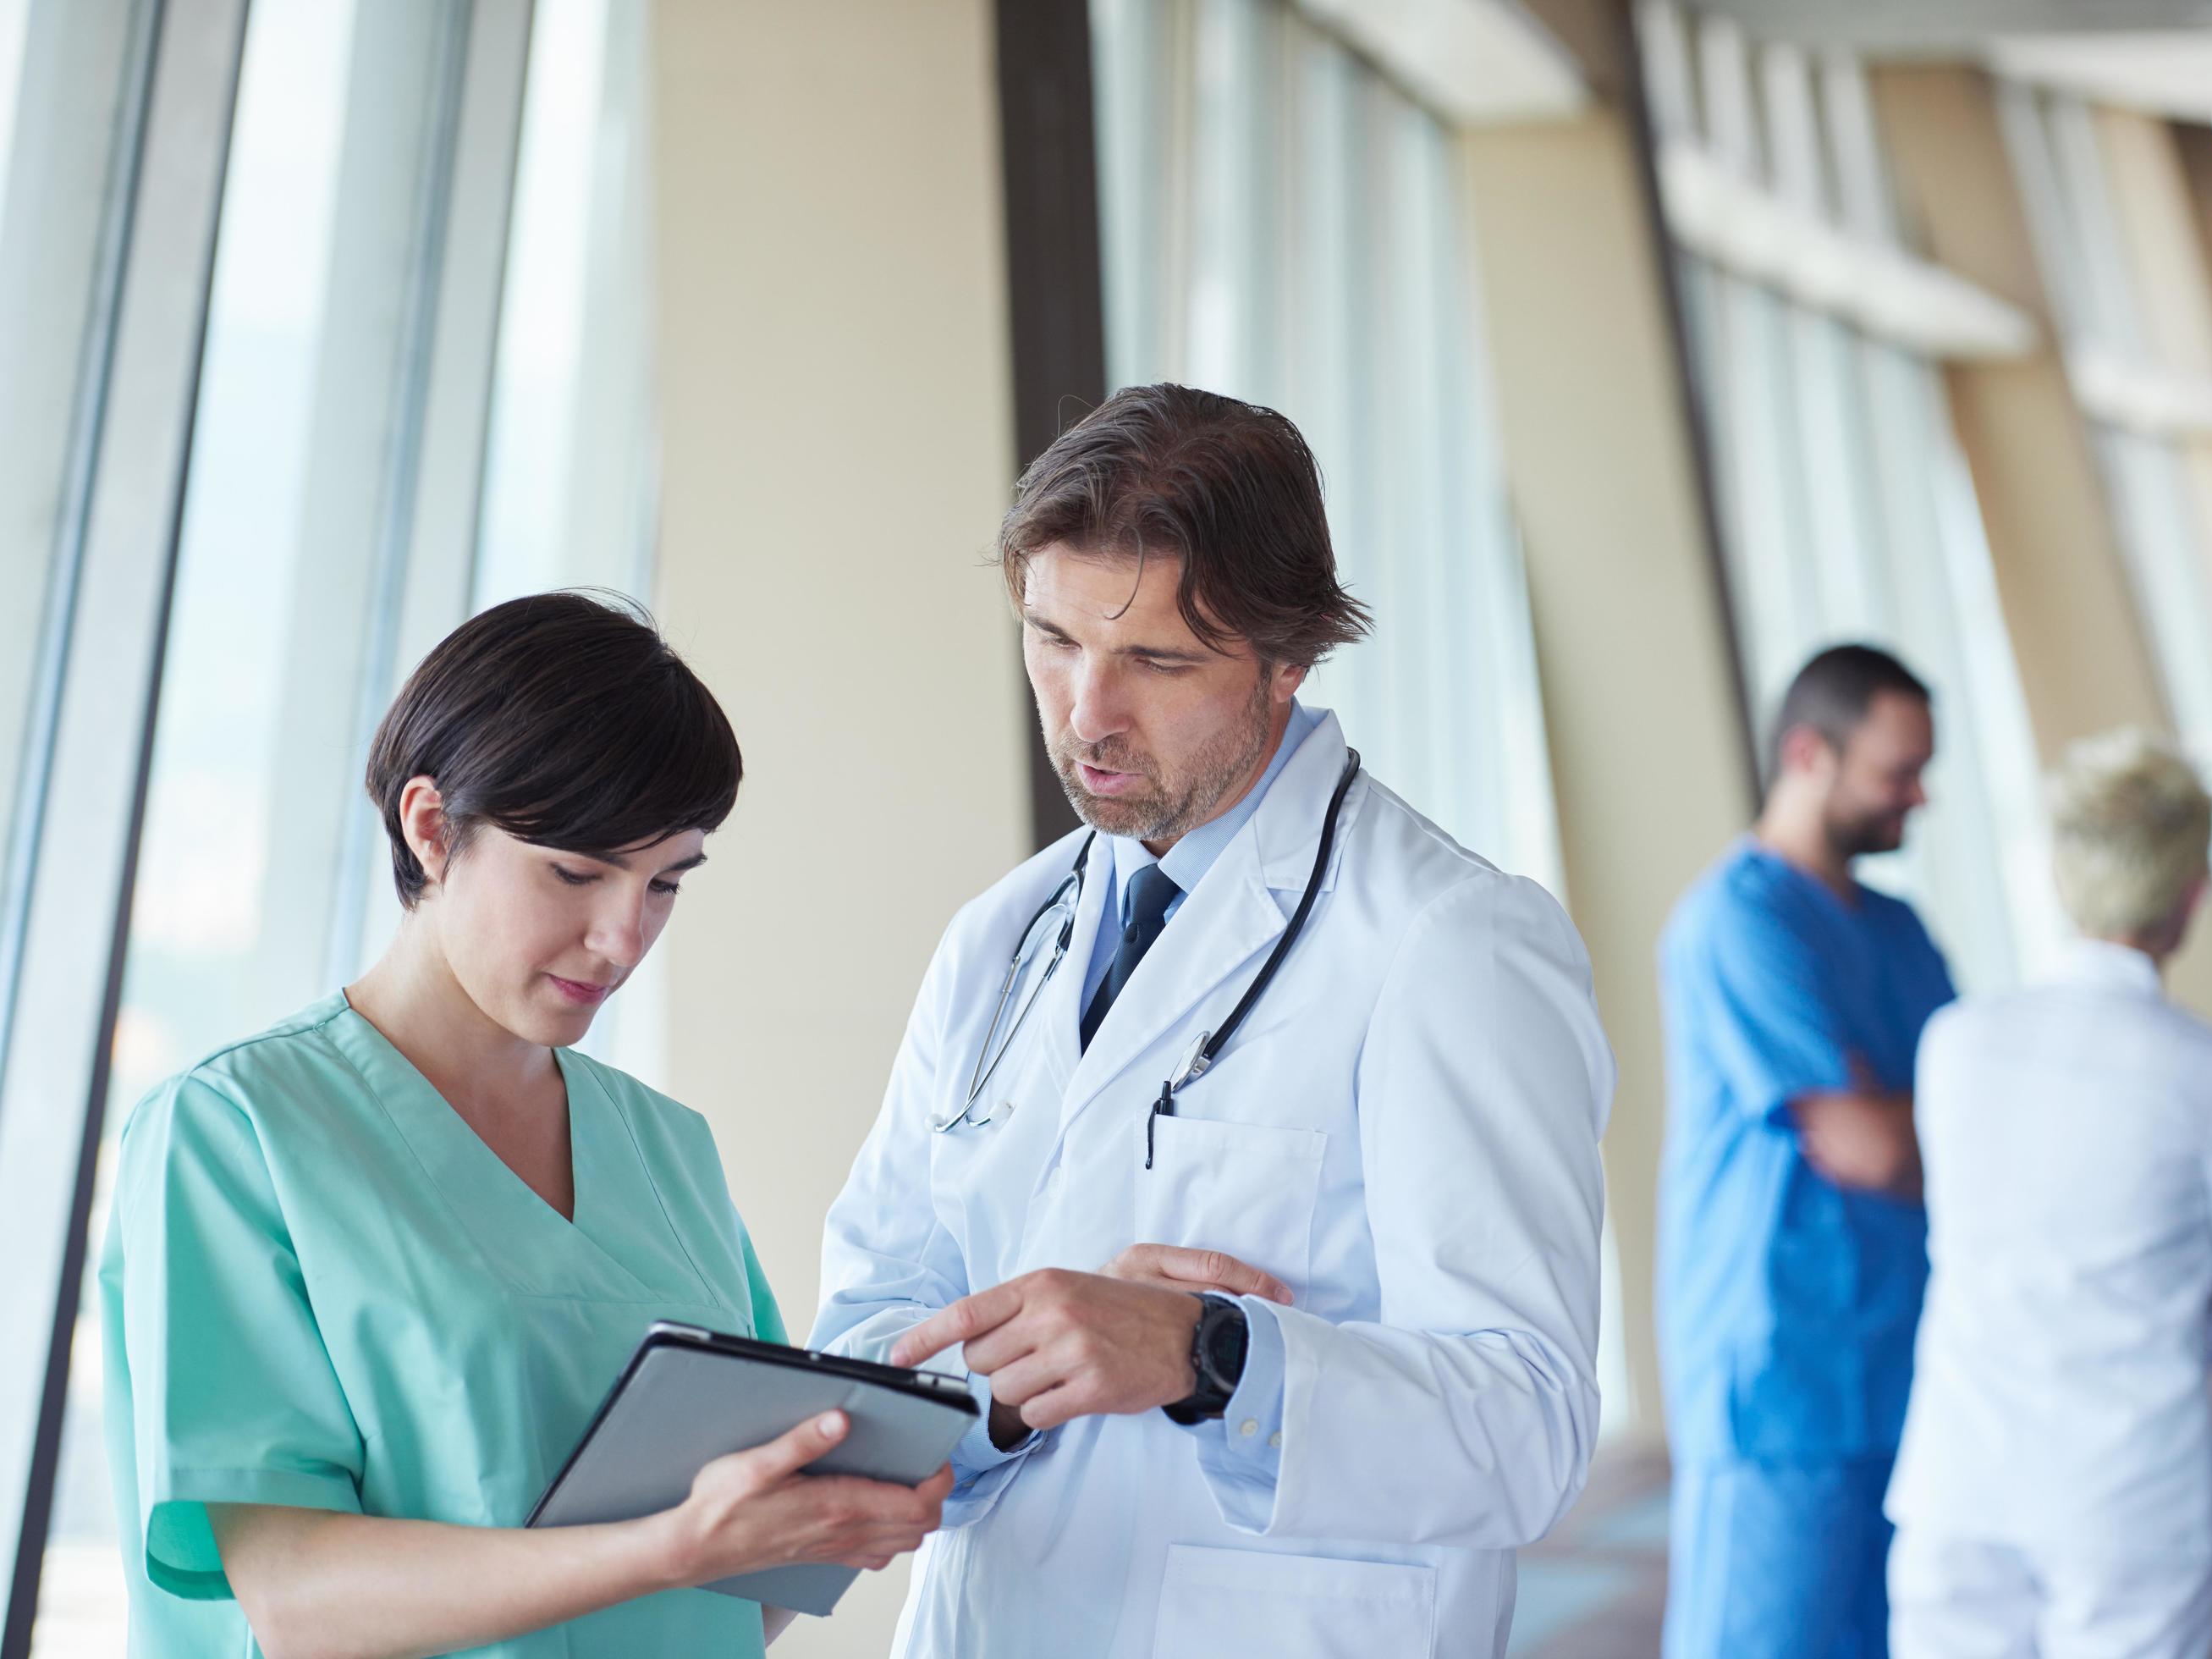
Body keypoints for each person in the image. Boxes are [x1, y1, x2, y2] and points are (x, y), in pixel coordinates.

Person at [811, 383, 1615, 1658]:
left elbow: (1528, 1430)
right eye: (1054, 639)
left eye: (1157, 661)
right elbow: (867, 1325)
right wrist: (1002, 1399)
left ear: (1290, 659)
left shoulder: (1450, 943)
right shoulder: (996, 944)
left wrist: (1212, 1358)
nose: (1086, 715)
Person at [102, 593, 948, 1658]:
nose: (619, 936)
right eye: (578, 872)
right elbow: (293, 1599)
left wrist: (836, 1517)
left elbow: (738, 1583)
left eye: (666, 883)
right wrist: (667, 1548)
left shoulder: (665, 1149)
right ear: (431, 825)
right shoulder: (234, 1135)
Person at [1885, 728, 2212, 1659]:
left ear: (2061, 875)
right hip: (2127, 1492)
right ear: (2192, 894)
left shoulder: (1955, 1042)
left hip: (1961, 1481)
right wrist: (2145, 1315)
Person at [1657, 642, 1956, 1659]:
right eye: (1895, 772)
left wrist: (1901, 1111)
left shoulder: (1902, 929)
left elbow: (1972, 1121)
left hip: (1898, 1357)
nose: (1916, 797)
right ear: (1807, 753)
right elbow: (1871, 1145)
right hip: (1780, 1371)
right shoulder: (1740, 920)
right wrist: (1906, 1114)